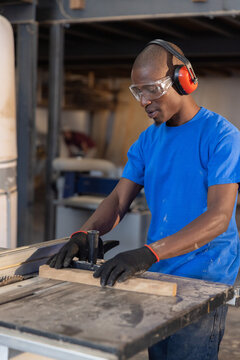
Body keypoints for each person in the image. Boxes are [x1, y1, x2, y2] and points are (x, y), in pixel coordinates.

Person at [48, 39, 240, 360]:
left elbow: (219, 218)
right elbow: (119, 200)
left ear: (183, 79)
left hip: (203, 278)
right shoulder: (148, 140)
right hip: (157, 273)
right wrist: (84, 234)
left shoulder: (221, 136)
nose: (143, 101)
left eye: (151, 89)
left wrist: (149, 253)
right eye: (137, 92)